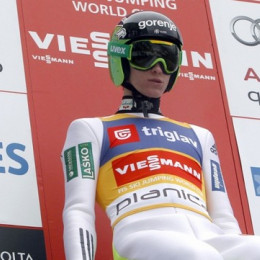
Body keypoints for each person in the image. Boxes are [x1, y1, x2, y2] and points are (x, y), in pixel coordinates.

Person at [61, 11, 260, 260]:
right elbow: (78, 211)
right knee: (198, 256)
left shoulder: (200, 136)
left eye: (168, 58)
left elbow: (223, 218)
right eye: (144, 56)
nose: (158, 68)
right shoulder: (90, 129)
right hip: (142, 234)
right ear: (121, 59)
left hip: (210, 238)